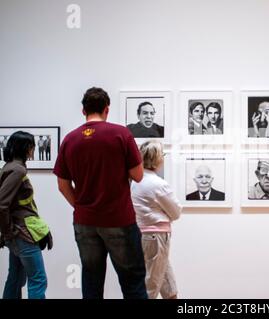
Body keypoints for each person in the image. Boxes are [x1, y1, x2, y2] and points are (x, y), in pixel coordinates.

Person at [53, 87, 148, 299]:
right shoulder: (121, 134)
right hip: (118, 219)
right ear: (107, 109)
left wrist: (81, 205)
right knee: (132, 281)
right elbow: (139, 175)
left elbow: (62, 184)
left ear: (83, 111)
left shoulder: (70, 139)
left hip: (85, 221)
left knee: (91, 280)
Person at [0, 131, 52, 299]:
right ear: (26, 148)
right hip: (23, 233)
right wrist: (9, 232)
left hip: (17, 232)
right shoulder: (17, 170)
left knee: (15, 278)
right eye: (32, 146)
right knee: (38, 279)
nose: (33, 149)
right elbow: (1, 204)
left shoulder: (8, 167)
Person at [130, 140, 181, 299]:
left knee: (169, 287)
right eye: (162, 155)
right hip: (156, 238)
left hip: (145, 236)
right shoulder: (158, 184)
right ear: (157, 158)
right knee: (150, 288)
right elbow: (176, 212)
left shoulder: (135, 182)